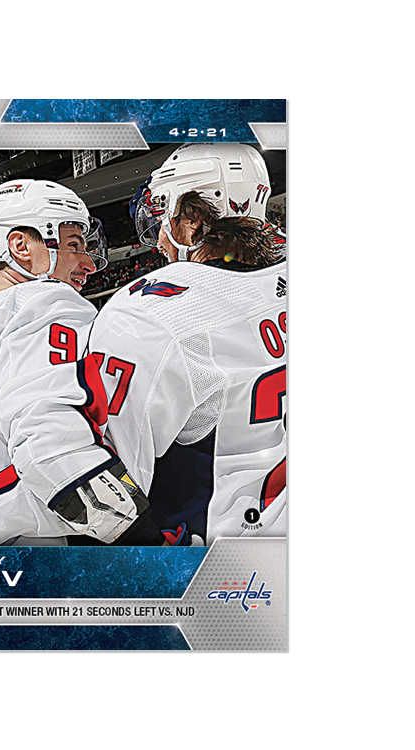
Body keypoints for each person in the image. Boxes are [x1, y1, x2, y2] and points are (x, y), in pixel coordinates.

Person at [0, 179, 168, 547]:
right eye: (74, 245)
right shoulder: (46, 303)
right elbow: (56, 452)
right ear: (21, 246)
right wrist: (142, 538)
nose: (88, 264)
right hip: (42, 554)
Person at [86, 143, 287, 543]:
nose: (159, 240)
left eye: (165, 218)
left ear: (192, 221)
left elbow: (104, 483)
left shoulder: (152, 311)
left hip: (218, 547)